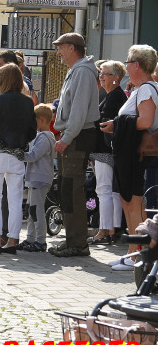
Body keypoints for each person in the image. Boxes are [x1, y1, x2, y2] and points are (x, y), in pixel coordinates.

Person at [101, 44, 158, 270]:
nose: (125, 65)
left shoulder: (146, 89)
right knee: (128, 202)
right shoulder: (141, 89)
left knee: (135, 204)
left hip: (140, 155)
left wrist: (117, 124)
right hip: (134, 153)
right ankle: (132, 254)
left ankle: (138, 255)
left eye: (127, 62)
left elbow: (145, 121)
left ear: (136, 65)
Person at [49, 33, 99, 258]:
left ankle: (77, 244)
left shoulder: (82, 71)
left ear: (71, 47)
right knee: (68, 190)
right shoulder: (79, 70)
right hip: (75, 135)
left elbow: (78, 112)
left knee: (72, 190)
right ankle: (73, 241)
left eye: (60, 48)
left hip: (77, 137)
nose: (58, 52)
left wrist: (66, 138)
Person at [0, 64, 36, 254]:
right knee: (15, 199)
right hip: (17, 155)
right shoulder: (28, 102)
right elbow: (32, 132)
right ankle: (12, 241)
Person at [89, 60, 127, 245]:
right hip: (107, 150)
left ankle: (105, 231)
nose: (101, 77)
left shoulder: (114, 97)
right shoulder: (112, 95)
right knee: (110, 191)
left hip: (105, 150)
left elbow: (103, 122)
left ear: (116, 78)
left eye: (105, 74)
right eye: (101, 74)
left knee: (103, 189)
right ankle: (111, 230)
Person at [20, 104, 56, 252]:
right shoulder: (43, 136)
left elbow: (34, 155)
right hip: (36, 178)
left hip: (39, 179)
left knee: (36, 210)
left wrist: (18, 155)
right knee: (32, 210)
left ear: (41, 120)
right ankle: (30, 238)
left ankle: (40, 240)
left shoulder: (44, 138)